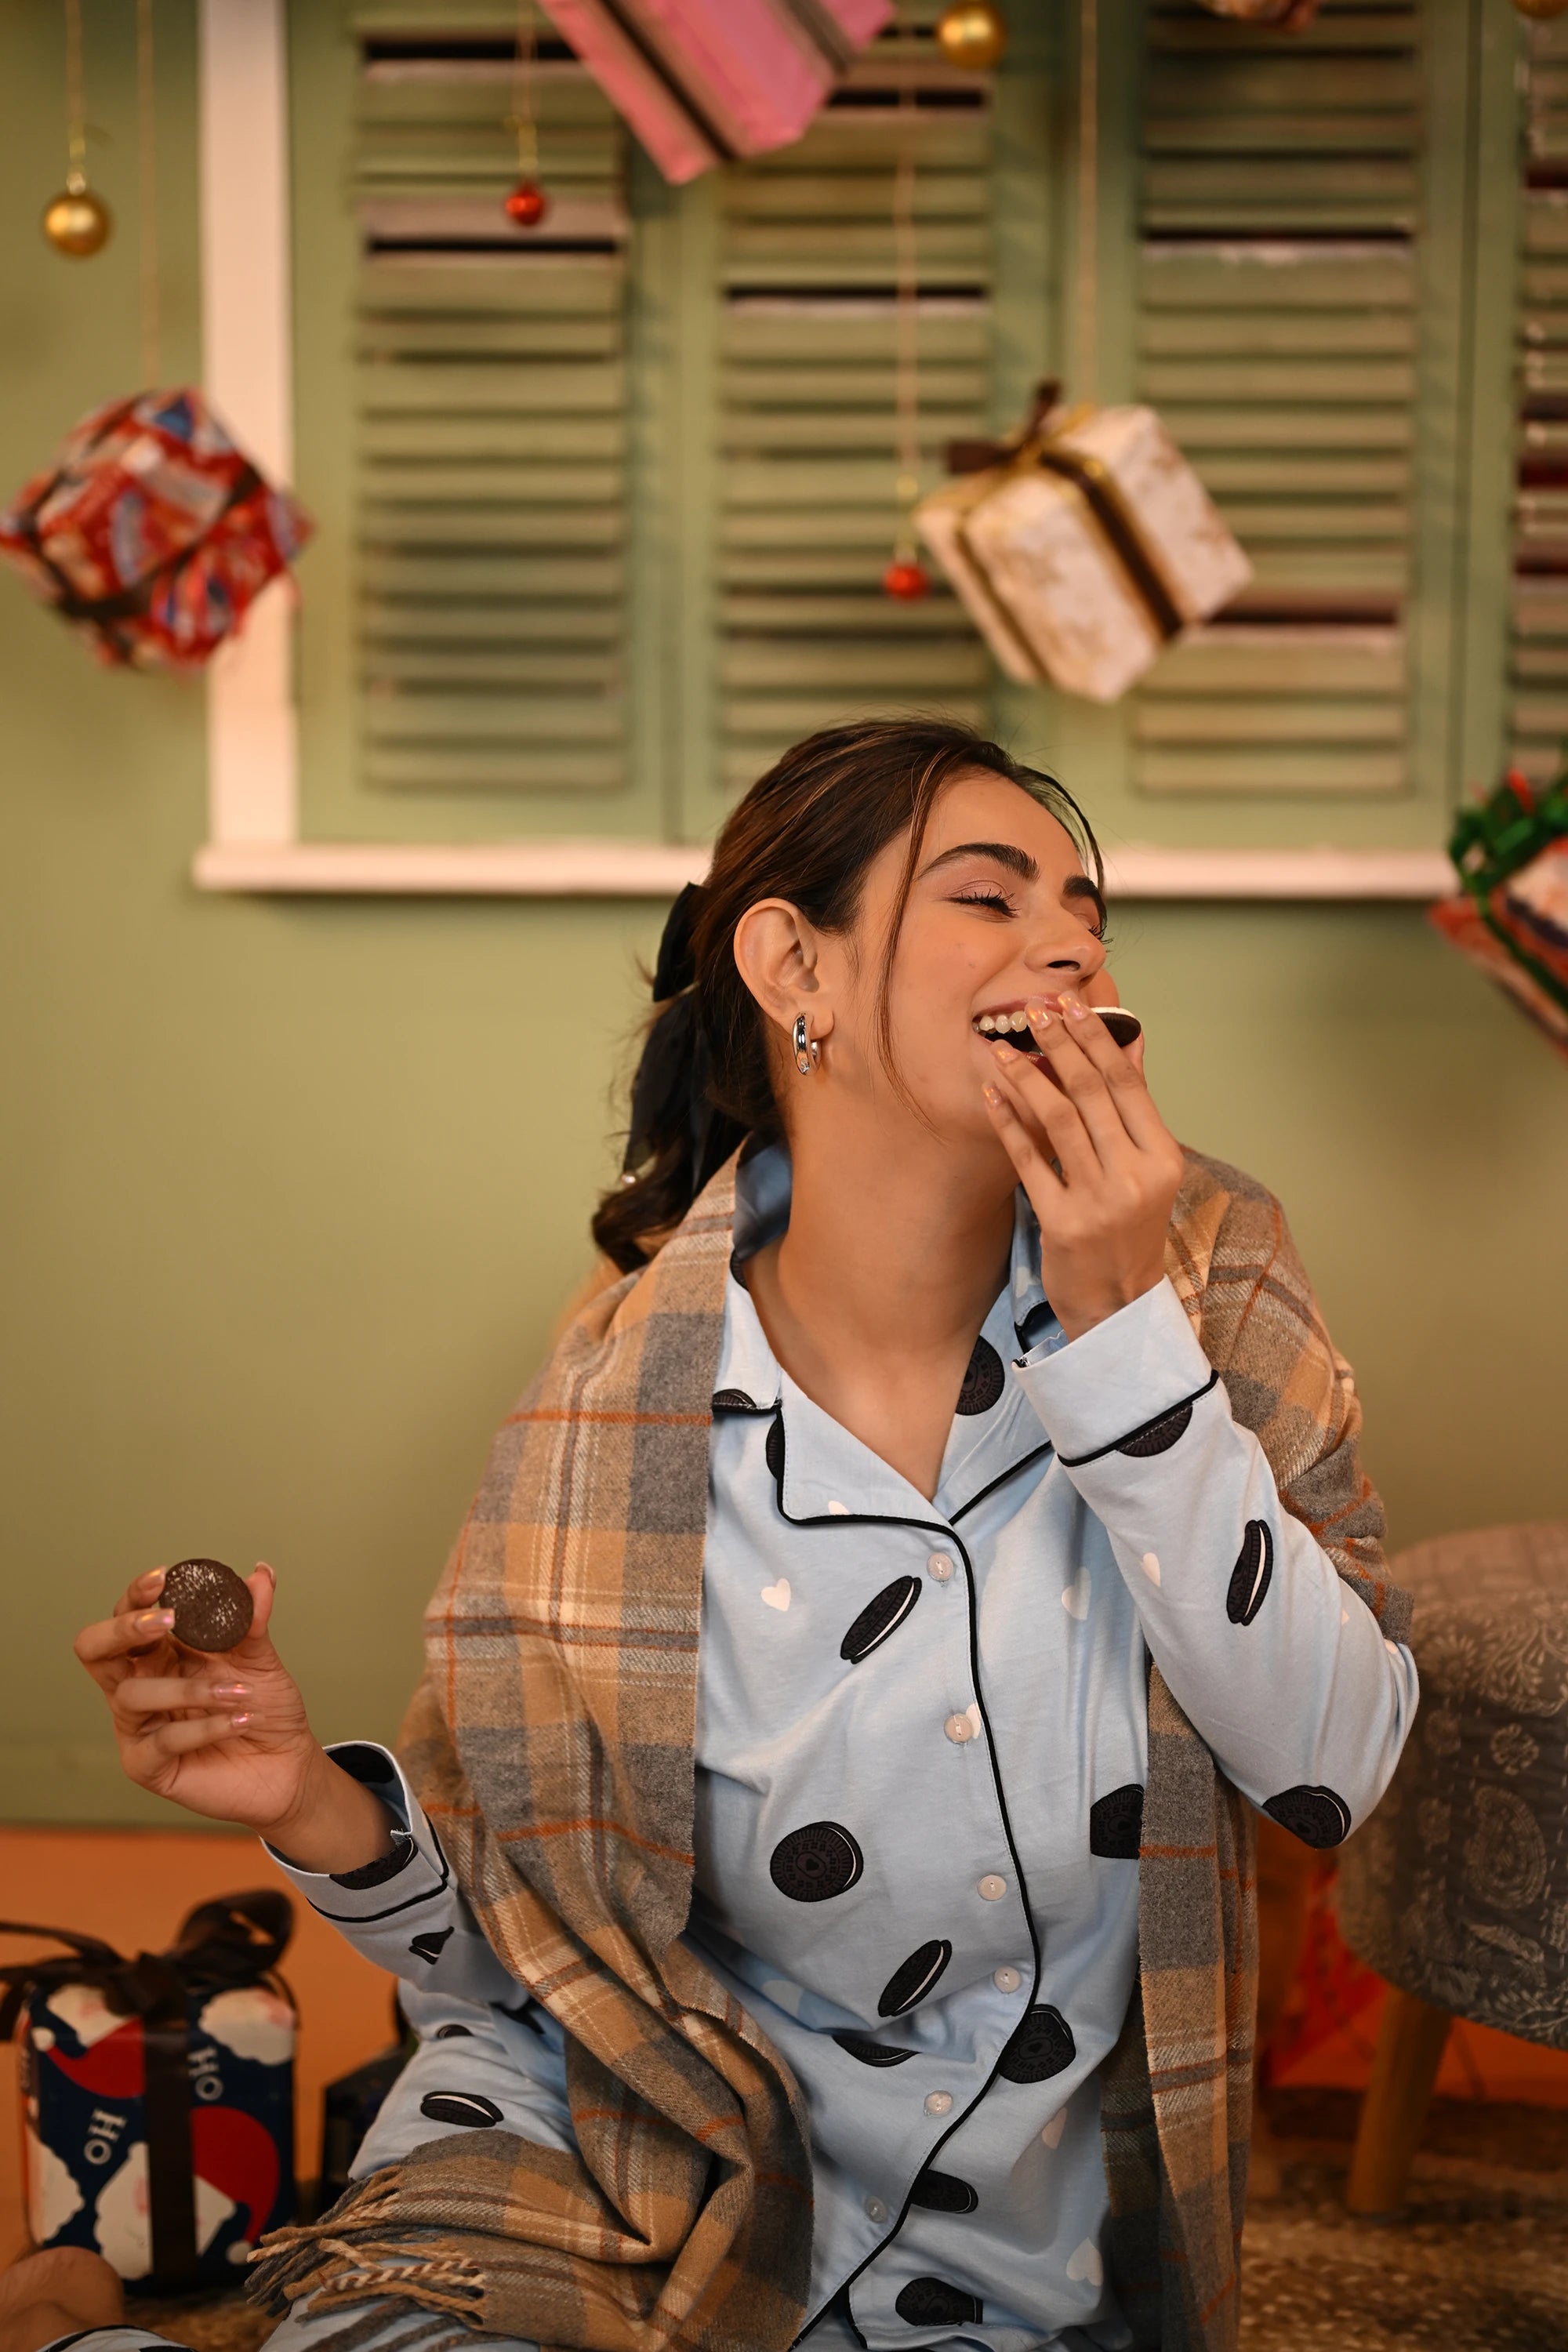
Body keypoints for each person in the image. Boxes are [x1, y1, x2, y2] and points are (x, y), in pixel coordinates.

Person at [23, 720, 1415, 2352]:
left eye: (1084, 904)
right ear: (788, 964)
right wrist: (301, 1800)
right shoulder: (615, 1411)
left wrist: (1120, 1337)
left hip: (985, 2266)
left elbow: (1336, 1769)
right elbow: (522, 1966)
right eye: (990, 896)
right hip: (593, 2173)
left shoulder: (1206, 1289)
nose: (1070, 940)